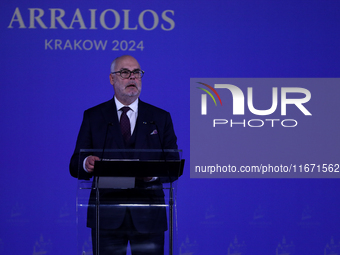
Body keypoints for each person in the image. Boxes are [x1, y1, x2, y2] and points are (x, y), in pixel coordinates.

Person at [69, 55, 179, 255]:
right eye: (125, 73)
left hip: (149, 216)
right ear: (112, 79)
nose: (132, 78)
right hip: (107, 216)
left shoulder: (160, 118)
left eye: (137, 73)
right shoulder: (94, 116)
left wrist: (153, 174)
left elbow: (173, 164)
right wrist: (87, 163)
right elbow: (75, 163)